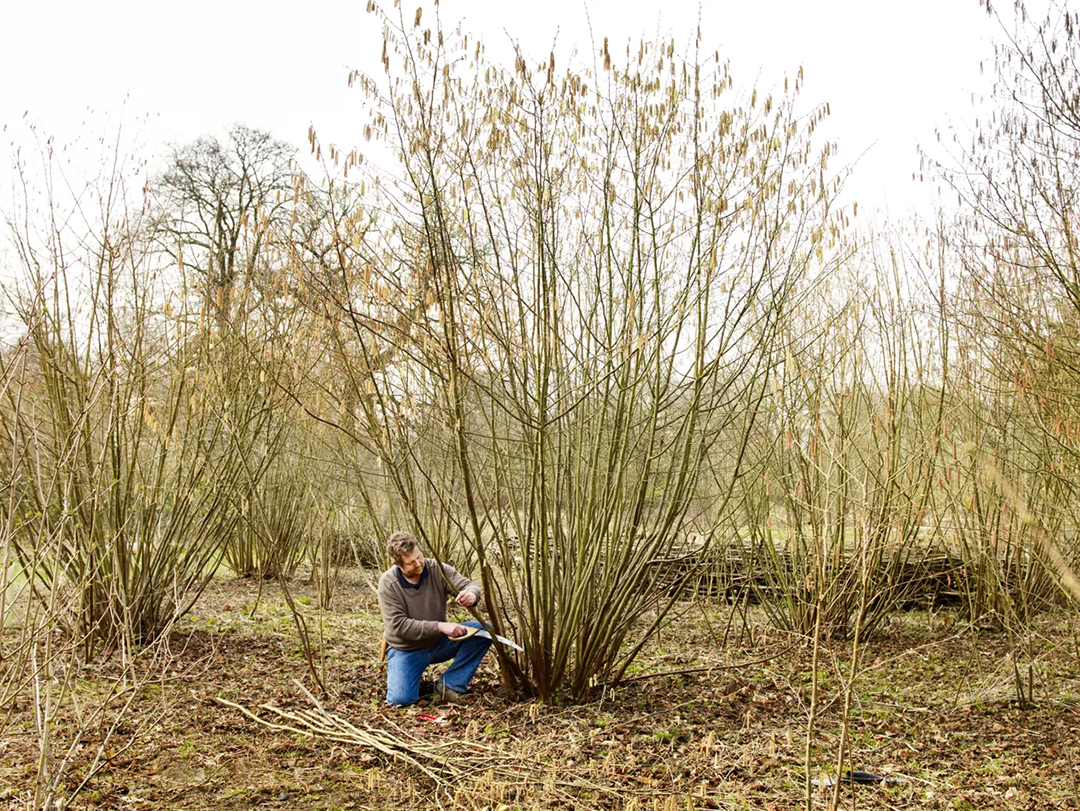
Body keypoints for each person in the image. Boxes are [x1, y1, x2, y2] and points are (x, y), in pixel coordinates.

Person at [377, 530, 492, 706]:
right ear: (399, 565)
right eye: (411, 563)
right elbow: (398, 626)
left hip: (440, 643)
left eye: (419, 557)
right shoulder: (388, 584)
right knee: (401, 700)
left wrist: (471, 595)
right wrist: (440, 626)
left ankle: (450, 684)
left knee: (484, 631)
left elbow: (468, 585)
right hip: (407, 649)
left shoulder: (436, 569)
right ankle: (408, 678)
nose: (418, 564)